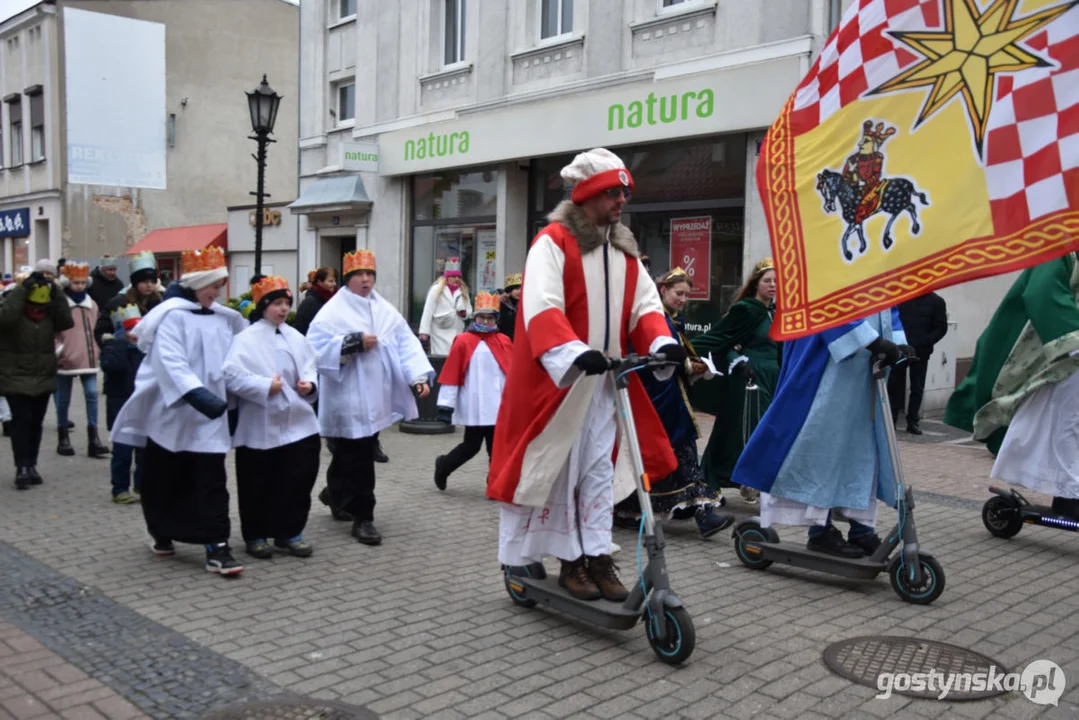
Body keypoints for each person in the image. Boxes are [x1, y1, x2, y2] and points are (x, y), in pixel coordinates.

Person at [487, 148, 683, 602]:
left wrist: (660, 342)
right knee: (560, 470)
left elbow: (644, 307)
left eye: (624, 192)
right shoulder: (554, 243)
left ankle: (596, 555)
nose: (621, 201)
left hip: (606, 384)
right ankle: (569, 561)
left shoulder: (623, 251)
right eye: (613, 192)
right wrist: (573, 352)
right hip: (561, 385)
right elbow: (541, 306)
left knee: (596, 470)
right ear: (587, 196)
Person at [110, 247, 248, 575]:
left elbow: (236, 359)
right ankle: (162, 531)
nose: (216, 292)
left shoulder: (225, 320)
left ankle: (218, 545)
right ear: (197, 283)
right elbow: (170, 362)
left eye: (220, 285)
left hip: (210, 419)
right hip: (172, 414)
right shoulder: (171, 317)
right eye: (212, 285)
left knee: (212, 480)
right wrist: (197, 395)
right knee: (165, 478)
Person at [731, 309, 913, 557]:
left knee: (862, 450)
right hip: (828, 364)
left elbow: (886, 300)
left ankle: (861, 528)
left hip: (867, 368)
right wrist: (871, 340)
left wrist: (899, 341)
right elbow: (826, 301)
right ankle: (820, 531)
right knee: (822, 445)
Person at [307, 249, 434, 545]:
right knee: (360, 456)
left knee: (353, 452)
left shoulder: (384, 310)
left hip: (376, 395)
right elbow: (312, 351)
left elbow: (405, 344)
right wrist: (352, 343)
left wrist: (417, 377)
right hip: (348, 395)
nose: (366, 280)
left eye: (370, 274)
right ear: (348, 279)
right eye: (359, 275)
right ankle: (364, 516)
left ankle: (335, 494)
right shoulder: (332, 312)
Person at [945, 253, 1079, 516]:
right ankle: (1069, 494)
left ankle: (1068, 491)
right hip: (1057, 354)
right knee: (1067, 420)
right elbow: (1042, 292)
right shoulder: (1061, 242)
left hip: (1067, 352)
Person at [613, 268, 733, 538]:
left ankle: (703, 514)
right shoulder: (652, 319)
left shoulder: (670, 320)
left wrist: (692, 367)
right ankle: (636, 510)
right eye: (679, 293)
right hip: (658, 404)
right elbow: (645, 359)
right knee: (668, 459)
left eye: (687, 295)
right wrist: (690, 366)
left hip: (673, 401)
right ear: (662, 290)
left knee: (685, 457)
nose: (683, 299)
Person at [224, 276, 321, 559]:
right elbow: (231, 375)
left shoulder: (296, 337)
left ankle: (290, 531)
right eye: (277, 303)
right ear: (263, 305)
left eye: (286, 303)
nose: (283, 309)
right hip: (260, 424)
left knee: (297, 479)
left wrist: (310, 385)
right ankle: (255, 534)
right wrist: (265, 386)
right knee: (257, 482)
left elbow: (311, 367)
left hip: (298, 422)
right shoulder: (245, 339)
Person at [691, 258, 782, 504]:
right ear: (756, 284)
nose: (773, 285)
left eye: (776, 281)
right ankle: (739, 480)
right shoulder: (746, 309)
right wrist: (739, 362)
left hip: (773, 380)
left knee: (755, 432)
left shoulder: (775, 312)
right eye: (767, 281)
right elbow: (723, 341)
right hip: (750, 379)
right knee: (748, 432)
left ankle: (748, 482)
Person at [0, 265, 73, 489]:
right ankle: (21, 466)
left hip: (43, 375)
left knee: (36, 423)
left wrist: (56, 289)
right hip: (15, 375)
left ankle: (32, 464)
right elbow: (5, 319)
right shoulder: (13, 308)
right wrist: (23, 289)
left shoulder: (50, 312)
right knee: (21, 422)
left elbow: (66, 321)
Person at [433, 291, 512, 491]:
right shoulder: (463, 341)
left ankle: (495, 485)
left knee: (496, 449)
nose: (485, 321)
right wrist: (446, 405)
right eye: (482, 317)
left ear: (496, 319)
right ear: (474, 317)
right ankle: (444, 465)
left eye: (490, 317)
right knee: (471, 446)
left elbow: (511, 373)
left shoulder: (504, 341)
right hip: (475, 404)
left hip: (498, 405)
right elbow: (452, 373)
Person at [54, 262, 110, 458]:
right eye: (75, 282)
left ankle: (93, 438)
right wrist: (59, 349)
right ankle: (63, 437)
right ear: (67, 283)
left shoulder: (91, 304)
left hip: (88, 355)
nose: (79, 286)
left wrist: (99, 346)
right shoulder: (60, 303)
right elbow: (52, 329)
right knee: (63, 398)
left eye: (82, 283)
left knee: (92, 393)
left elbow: (97, 326)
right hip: (66, 357)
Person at [100, 304, 146, 504]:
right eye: (128, 330)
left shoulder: (145, 351)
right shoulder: (113, 348)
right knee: (122, 452)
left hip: (141, 405)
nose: (133, 334)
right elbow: (111, 367)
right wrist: (118, 344)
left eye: (137, 329)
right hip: (119, 406)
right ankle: (119, 488)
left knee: (144, 451)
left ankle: (141, 484)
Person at [888, 292, 947, 435]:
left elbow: (941, 327)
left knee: (917, 387)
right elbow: (893, 321)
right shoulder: (902, 297)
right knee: (895, 386)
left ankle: (913, 422)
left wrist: (927, 341)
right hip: (900, 349)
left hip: (921, 350)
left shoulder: (936, 301)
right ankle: (892, 420)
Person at [94, 251, 163, 348]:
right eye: (144, 281)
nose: (149, 285)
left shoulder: (159, 302)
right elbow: (101, 331)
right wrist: (115, 342)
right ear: (135, 283)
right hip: (125, 356)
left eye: (152, 281)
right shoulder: (119, 303)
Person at [418, 258, 472, 356]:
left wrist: (464, 314)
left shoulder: (463, 291)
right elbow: (428, 310)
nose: (456, 279)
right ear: (447, 277)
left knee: (455, 357)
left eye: (458, 277)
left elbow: (469, 311)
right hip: (439, 330)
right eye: (453, 276)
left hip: (457, 331)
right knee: (441, 358)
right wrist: (424, 331)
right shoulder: (436, 289)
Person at [293, 268, 337, 335]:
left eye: (334, 281)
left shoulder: (335, 300)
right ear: (319, 282)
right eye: (330, 281)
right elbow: (300, 328)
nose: (334, 284)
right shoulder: (309, 302)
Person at [498, 273, 521, 340]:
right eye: (516, 289)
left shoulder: (525, 304)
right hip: (503, 340)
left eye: (521, 288)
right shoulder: (501, 303)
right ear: (510, 291)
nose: (520, 291)